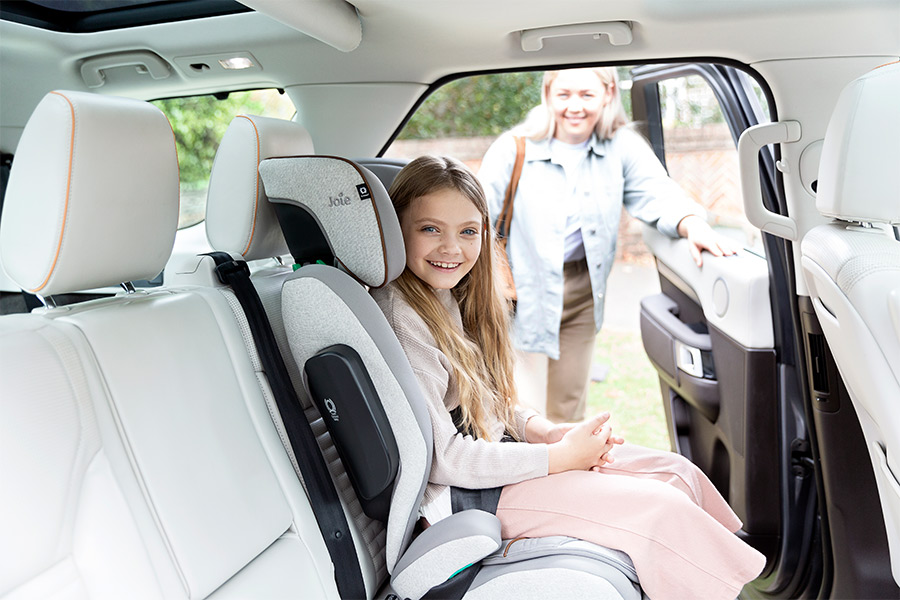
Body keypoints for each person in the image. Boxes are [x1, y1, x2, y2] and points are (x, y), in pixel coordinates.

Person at [371, 155, 765, 600]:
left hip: (497, 465)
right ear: (396, 229)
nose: (452, 248)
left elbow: (479, 402)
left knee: (676, 472)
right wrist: (557, 459)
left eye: (467, 231)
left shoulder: (450, 296)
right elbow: (446, 458)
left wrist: (543, 431)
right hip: (466, 498)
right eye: (430, 229)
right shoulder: (403, 318)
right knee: (660, 509)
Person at [478, 67, 739, 423]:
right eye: (563, 95)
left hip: (582, 292)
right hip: (518, 290)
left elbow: (657, 192)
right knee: (521, 408)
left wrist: (690, 222)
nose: (575, 106)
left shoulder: (622, 146)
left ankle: (569, 459)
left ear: (608, 93)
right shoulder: (513, 147)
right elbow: (476, 217)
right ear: (548, 94)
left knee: (569, 408)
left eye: (586, 95)